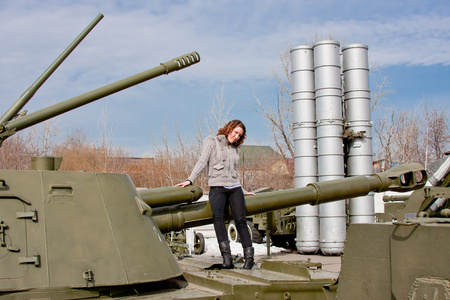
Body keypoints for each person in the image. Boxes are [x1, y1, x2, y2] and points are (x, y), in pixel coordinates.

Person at [175, 120, 255, 270]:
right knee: (218, 218)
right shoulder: (212, 141)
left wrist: (243, 190)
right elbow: (202, 162)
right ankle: (227, 259)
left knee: (241, 221)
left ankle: (249, 258)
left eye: (240, 135)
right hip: (217, 187)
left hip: (235, 188)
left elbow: (234, 172)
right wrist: (189, 179)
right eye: (235, 132)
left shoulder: (235, 149)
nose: (236, 137)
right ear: (229, 128)